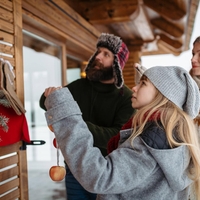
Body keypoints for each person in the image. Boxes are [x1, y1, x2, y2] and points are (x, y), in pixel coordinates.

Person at [43, 65, 200, 200]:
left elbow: (99, 176)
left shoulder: (151, 141)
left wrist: (63, 110)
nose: (134, 87)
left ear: (162, 96)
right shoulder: (173, 137)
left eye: (143, 83)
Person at [39, 33, 135, 199]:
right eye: (98, 51)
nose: (98, 56)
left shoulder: (127, 97)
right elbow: (44, 101)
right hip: (73, 166)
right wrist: (52, 95)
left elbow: (117, 136)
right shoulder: (79, 86)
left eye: (106, 54)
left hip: (106, 170)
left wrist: (74, 124)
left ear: (117, 64)